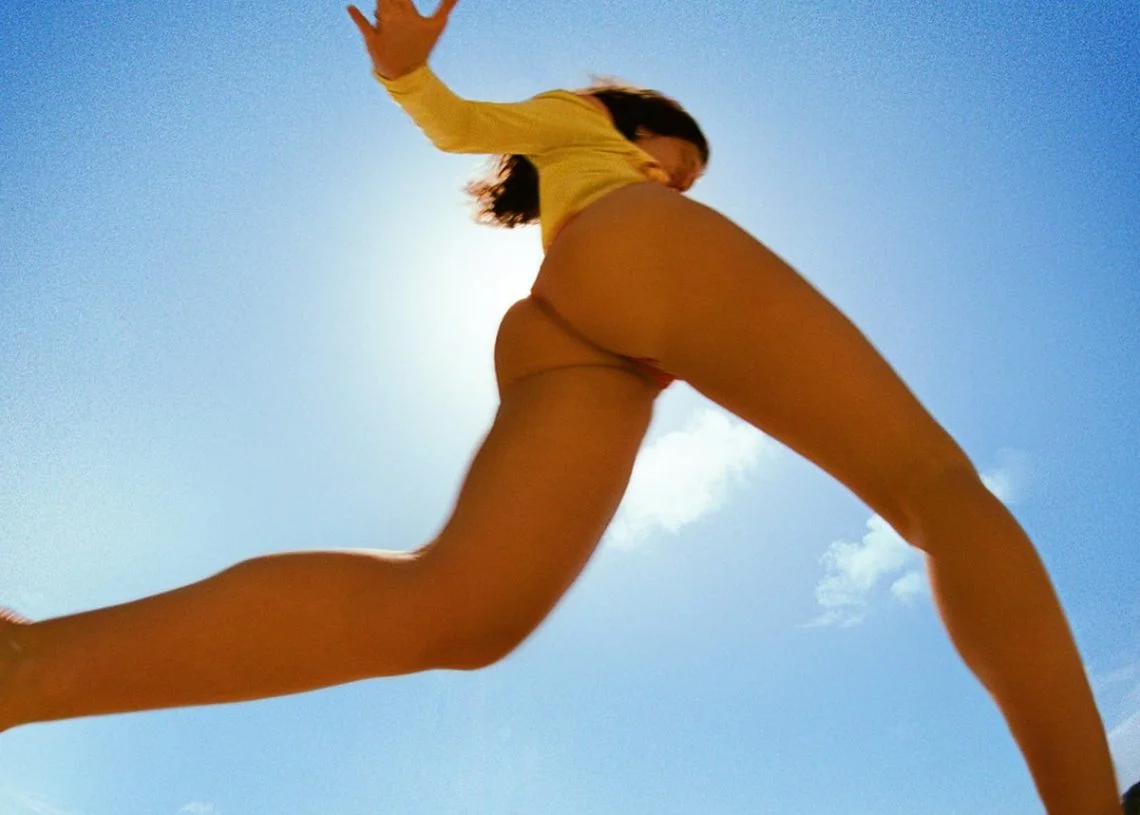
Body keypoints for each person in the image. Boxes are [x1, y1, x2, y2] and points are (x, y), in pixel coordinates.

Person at [0, 1, 1120, 811]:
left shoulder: (589, 185)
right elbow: (458, 126)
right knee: (937, 489)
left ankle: (28, 672)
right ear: (632, 123)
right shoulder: (583, 123)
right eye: (679, 162)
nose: (682, 180)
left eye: (688, 184)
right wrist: (409, 77)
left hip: (559, 321)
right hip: (623, 265)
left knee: (459, 609)